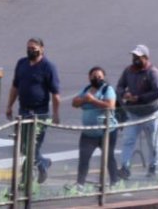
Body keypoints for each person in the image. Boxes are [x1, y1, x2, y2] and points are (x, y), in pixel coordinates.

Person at [6, 38, 61, 185]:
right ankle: (43, 163)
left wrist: (56, 115)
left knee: (33, 146)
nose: (30, 50)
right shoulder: (21, 63)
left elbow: (56, 94)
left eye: (34, 48)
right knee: (24, 146)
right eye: (28, 48)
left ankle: (25, 182)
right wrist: (9, 105)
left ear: (42, 49)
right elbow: (15, 86)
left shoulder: (48, 67)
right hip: (23, 111)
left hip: (40, 113)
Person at [116, 45, 158, 181]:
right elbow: (120, 86)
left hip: (150, 113)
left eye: (138, 57)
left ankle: (153, 166)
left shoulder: (153, 72)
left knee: (152, 141)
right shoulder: (128, 71)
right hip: (133, 113)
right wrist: (124, 94)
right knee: (128, 140)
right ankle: (125, 168)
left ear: (146, 58)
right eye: (134, 57)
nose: (135, 59)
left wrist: (139, 98)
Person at [71, 66, 118, 191]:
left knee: (109, 157)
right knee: (84, 158)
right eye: (94, 77)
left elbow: (110, 105)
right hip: (88, 133)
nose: (97, 79)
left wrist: (92, 100)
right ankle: (80, 184)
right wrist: (83, 100)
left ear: (103, 77)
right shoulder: (86, 89)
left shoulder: (107, 89)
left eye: (99, 77)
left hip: (106, 132)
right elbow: (74, 103)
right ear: (89, 77)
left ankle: (115, 182)